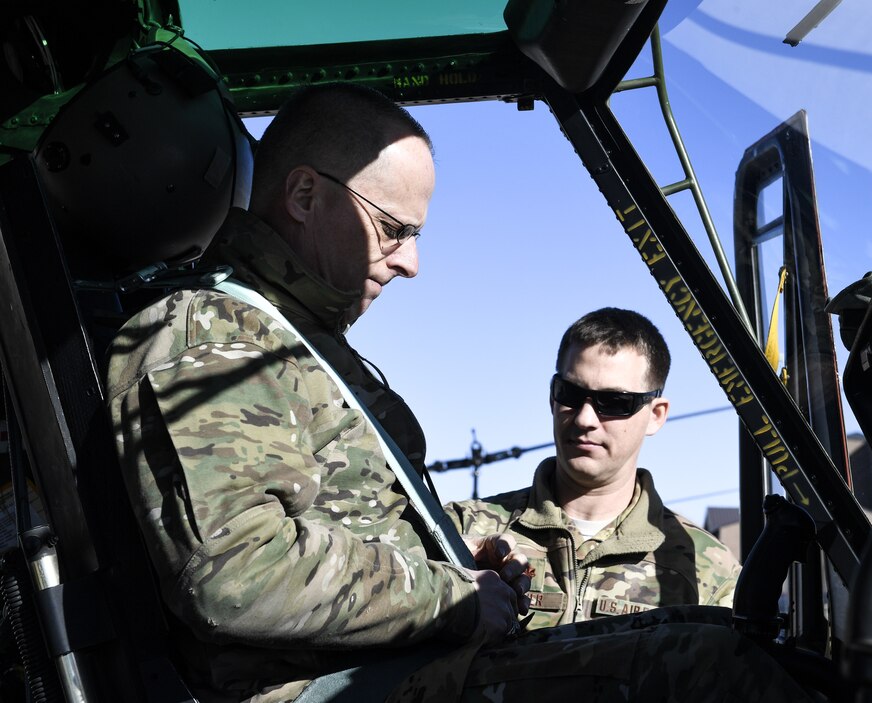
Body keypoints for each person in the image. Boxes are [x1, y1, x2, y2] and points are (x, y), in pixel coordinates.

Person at [106, 83, 810, 703]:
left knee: (723, 633)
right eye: (393, 230)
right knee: (706, 667)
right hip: (327, 685)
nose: (411, 262)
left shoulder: (295, 342)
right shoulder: (211, 333)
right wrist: (452, 595)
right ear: (302, 195)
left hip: (394, 668)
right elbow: (234, 572)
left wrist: (449, 562)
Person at [447, 308, 741, 629]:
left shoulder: (709, 571)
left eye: (614, 402)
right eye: (571, 394)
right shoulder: (461, 531)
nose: (585, 419)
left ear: (656, 415)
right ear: (552, 397)